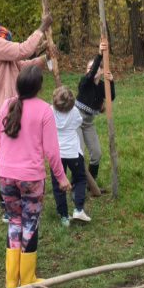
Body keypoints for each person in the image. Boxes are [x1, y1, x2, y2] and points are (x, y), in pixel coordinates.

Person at [0, 65, 71, 288]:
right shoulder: (44, 110)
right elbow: (52, 150)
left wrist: (5, 165)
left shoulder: (5, 106)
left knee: (14, 223)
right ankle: (27, 279)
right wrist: (61, 177)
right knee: (29, 224)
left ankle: (11, 282)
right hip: (31, 180)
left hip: (5, 177)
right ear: (39, 87)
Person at [0, 12, 53, 222]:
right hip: (3, 108)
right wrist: (41, 28)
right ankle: (8, 205)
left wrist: (44, 59)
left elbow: (22, 64)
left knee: (12, 152)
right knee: (8, 154)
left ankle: (8, 198)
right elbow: (22, 50)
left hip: (8, 106)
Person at [75, 40, 115, 191]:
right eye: (90, 68)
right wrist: (99, 54)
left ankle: (90, 185)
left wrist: (111, 82)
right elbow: (91, 74)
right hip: (76, 120)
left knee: (96, 154)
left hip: (88, 122)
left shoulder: (100, 87)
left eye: (96, 67)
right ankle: (78, 185)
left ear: (101, 70)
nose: (92, 70)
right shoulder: (84, 83)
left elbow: (111, 97)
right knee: (79, 155)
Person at [50, 85, 90, 225]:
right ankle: (78, 208)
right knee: (80, 179)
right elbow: (79, 122)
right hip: (73, 152)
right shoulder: (74, 112)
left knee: (57, 184)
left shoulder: (50, 111)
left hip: (56, 154)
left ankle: (64, 216)